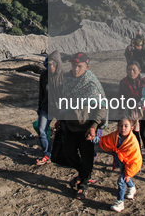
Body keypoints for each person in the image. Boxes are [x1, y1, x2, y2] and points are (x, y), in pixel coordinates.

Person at [60, 52, 108, 199]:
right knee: (68, 153)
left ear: (86, 67)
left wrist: (94, 126)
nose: (76, 69)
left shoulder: (90, 83)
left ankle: (84, 183)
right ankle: (83, 174)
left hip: (86, 127)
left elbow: (101, 107)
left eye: (79, 66)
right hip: (70, 125)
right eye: (74, 65)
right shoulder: (66, 79)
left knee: (87, 156)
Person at [98, 118, 143, 212]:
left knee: (121, 180)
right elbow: (105, 140)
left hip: (131, 164)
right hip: (121, 162)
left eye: (126, 126)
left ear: (132, 128)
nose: (123, 128)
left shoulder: (133, 142)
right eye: (120, 125)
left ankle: (120, 202)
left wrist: (128, 173)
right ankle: (131, 187)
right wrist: (94, 138)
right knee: (125, 177)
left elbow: (135, 159)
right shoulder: (115, 135)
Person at [36, 51, 63, 166]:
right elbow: (41, 93)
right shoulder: (44, 76)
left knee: (65, 132)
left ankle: (64, 152)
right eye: (49, 64)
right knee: (41, 130)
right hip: (46, 107)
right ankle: (47, 153)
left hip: (61, 109)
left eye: (53, 64)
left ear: (58, 64)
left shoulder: (64, 77)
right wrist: (39, 107)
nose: (51, 66)